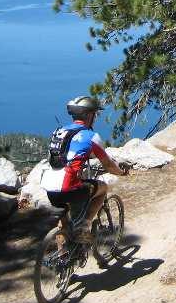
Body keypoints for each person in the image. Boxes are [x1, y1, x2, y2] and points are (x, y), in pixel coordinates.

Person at [39, 96, 128, 249]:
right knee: (102, 188)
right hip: (70, 188)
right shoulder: (91, 136)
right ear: (89, 115)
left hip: (49, 187)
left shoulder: (59, 132)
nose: (96, 118)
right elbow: (107, 164)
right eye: (95, 114)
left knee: (64, 222)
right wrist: (120, 172)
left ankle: (62, 258)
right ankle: (83, 227)